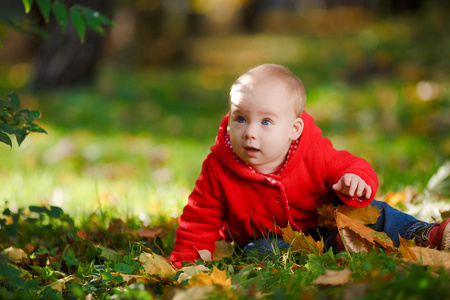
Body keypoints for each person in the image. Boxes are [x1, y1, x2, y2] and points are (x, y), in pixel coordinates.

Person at [170, 63, 450, 268]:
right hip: (275, 239)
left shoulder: (311, 152)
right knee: (259, 251)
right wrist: (187, 264)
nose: (249, 132)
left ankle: (427, 233)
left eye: (266, 122)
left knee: (376, 212)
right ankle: (344, 246)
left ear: (294, 129)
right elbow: (199, 217)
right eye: (240, 118)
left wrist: (354, 179)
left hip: (327, 223)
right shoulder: (219, 166)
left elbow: (351, 164)